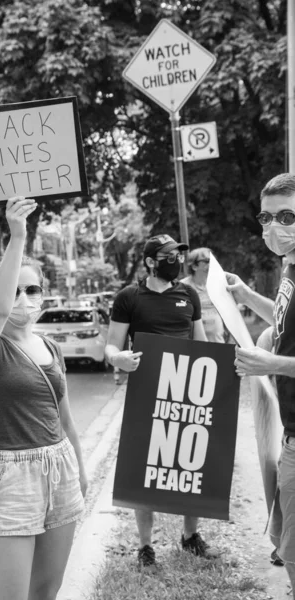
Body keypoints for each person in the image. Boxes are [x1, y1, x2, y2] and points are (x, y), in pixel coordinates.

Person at [0, 196, 86, 600]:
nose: (24, 297)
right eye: (15, 288)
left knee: (46, 590)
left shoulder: (51, 345)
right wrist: (18, 235)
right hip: (12, 476)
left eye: (32, 289)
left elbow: (65, 420)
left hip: (61, 467)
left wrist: (80, 472)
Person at [105, 233, 219, 567]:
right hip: (146, 394)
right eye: (170, 256)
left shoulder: (189, 295)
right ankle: (145, 546)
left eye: (179, 256)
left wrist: (223, 369)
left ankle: (190, 536)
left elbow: (201, 344)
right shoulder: (129, 297)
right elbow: (111, 346)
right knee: (146, 468)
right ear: (152, 262)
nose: (177, 262)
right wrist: (119, 359)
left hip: (188, 393)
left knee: (191, 461)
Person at [227, 173, 295, 598]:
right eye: (266, 217)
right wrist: (247, 295)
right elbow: (284, 323)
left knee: (291, 549)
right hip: (292, 433)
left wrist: (269, 363)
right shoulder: (289, 267)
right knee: (285, 542)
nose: (274, 225)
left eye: (286, 215)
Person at [182, 247, 227, 343]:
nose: (211, 263)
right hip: (194, 345)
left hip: (218, 343)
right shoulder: (183, 287)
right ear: (194, 266)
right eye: (207, 261)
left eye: (212, 260)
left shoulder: (219, 284)